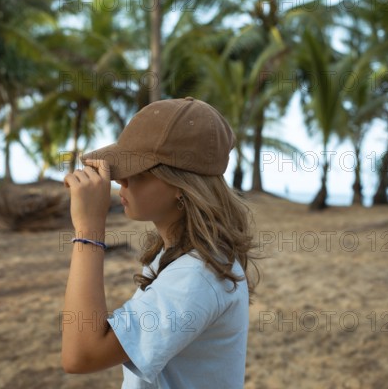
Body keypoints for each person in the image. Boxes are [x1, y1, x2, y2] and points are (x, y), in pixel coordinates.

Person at [62, 97, 259, 388]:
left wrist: (89, 230)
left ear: (181, 186)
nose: (120, 182)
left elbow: (81, 355)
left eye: (136, 172)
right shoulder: (185, 256)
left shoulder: (196, 277)